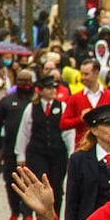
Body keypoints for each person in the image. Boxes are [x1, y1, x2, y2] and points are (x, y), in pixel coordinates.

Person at [16, 76, 71, 206]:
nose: (52, 91)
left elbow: (68, 132)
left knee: (56, 186)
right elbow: (24, 132)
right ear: (40, 91)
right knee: (40, 185)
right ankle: (42, 215)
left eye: (54, 88)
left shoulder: (62, 106)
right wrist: (20, 154)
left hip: (58, 152)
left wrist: (71, 152)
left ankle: (55, 216)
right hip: (37, 152)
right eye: (48, 88)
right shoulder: (31, 108)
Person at [0, 70, 36, 220]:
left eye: (27, 81)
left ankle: (27, 213)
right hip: (10, 149)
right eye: (21, 81)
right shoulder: (7, 101)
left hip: (31, 149)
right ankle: (14, 212)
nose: (25, 84)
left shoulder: (35, 102)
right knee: (11, 182)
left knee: (29, 183)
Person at [59, 60, 110, 150]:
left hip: (108, 148)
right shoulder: (75, 98)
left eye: (86, 74)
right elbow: (63, 124)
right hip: (83, 149)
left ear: (96, 73)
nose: (82, 77)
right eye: (82, 74)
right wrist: (80, 119)